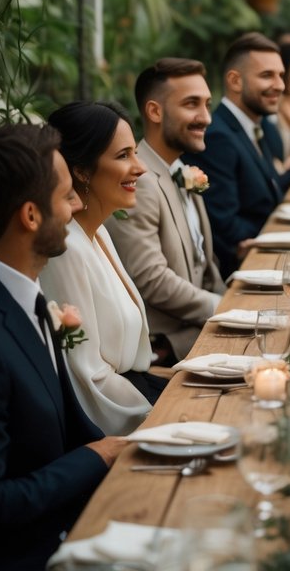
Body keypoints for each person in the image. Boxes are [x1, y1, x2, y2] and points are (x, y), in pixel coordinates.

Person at [0, 124, 122, 571]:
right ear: (31, 216)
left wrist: (137, 450)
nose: (79, 204)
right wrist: (97, 457)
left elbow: (71, 426)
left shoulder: (23, 293)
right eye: (66, 196)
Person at [41, 101, 165, 435]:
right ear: (81, 170)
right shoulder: (65, 248)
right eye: (123, 156)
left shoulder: (100, 234)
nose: (140, 168)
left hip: (137, 388)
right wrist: (160, 419)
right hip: (112, 420)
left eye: (135, 153)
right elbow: (87, 377)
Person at [106, 58, 225, 364]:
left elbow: (204, 261)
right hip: (169, 349)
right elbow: (151, 279)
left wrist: (237, 304)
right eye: (191, 104)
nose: (206, 118)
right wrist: (223, 307)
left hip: (203, 332)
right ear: (155, 111)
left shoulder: (180, 169)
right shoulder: (138, 181)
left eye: (207, 104)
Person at [199, 32, 290, 279]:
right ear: (235, 81)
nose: (280, 85)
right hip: (247, 272)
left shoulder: (256, 125)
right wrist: (276, 236)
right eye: (267, 75)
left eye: (280, 75)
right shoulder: (219, 136)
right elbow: (227, 227)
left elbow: (270, 192)